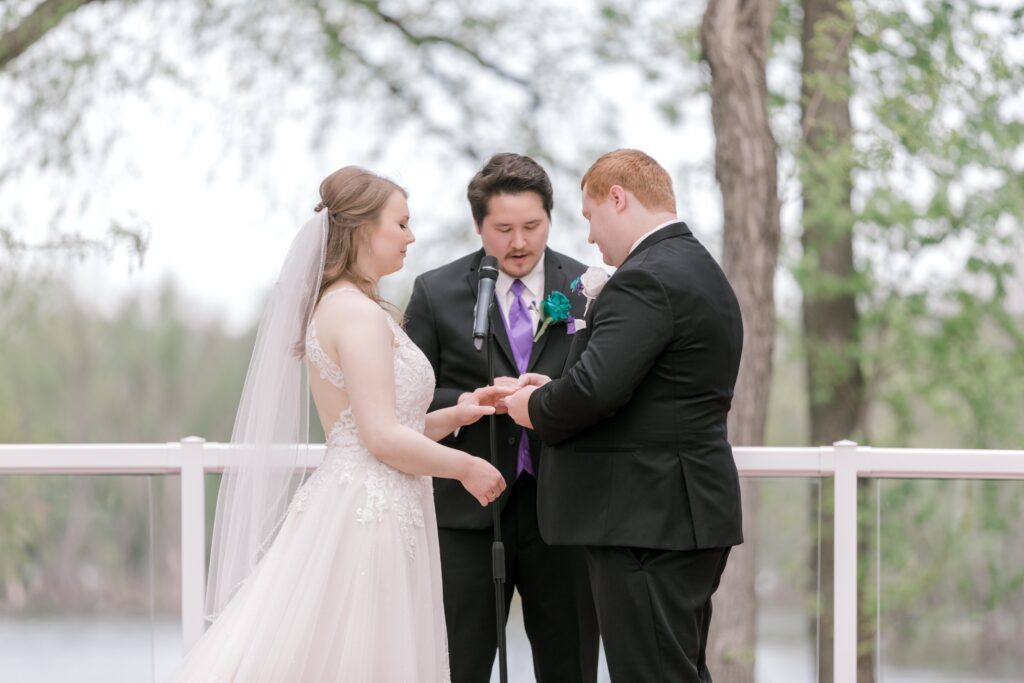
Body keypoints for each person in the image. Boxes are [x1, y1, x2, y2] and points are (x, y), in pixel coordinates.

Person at [170, 166, 508, 682]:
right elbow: (380, 438)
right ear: (362, 229)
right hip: (367, 516)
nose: (411, 237)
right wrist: (467, 467)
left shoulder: (347, 306)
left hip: (379, 500)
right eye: (401, 224)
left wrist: (458, 413)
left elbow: (382, 427)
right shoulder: (355, 313)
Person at [505, 149, 745, 682]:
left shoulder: (647, 276)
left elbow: (593, 391)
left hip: (647, 522)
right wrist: (558, 387)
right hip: (683, 511)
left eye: (590, 217)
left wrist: (531, 407)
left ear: (618, 198)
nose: (590, 237)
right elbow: (645, 390)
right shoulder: (698, 268)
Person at [405, 153, 599, 683]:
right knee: (457, 665)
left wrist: (553, 396)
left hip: (563, 510)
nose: (519, 243)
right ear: (478, 226)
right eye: (504, 229)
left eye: (532, 226)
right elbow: (410, 397)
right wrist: (471, 398)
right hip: (467, 513)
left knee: (571, 665)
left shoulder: (590, 287)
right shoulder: (435, 291)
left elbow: (604, 389)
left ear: (550, 219)